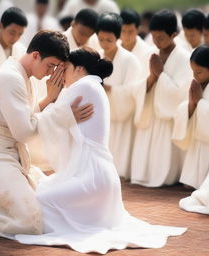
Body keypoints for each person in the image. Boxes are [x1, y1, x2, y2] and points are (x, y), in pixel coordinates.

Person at [13, 47, 186, 253]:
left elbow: (46, 121)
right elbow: (58, 119)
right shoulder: (93, 86)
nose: (61, 75)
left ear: (78, 69)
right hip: (95, 176)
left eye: (65, 68)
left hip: (92, 179)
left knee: (38, 201)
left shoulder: (84, 86)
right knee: (42, 188)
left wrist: (51, 95)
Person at [0, 31, 94, 238]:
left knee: (48, 203)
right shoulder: (9, 77)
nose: (50, 73)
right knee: (30, 221)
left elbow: (26, 118)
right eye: (51, 66)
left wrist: (50, 99)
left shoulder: (22, 74)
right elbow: (24, 131)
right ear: (36, 55)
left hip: (14, 154)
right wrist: (64, 114)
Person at [130, 10, 193, 187]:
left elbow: (182, 92)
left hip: (168, 119)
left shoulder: (184, 58)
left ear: (174, 34)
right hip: (150, 114)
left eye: (161, 38)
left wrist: (161, 75)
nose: (156, 42)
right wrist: (151, 79)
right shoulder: (151, 54)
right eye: (154, 37)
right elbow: (137, 86)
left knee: (165, 161)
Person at [96, 12, 141, 178]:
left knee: (118, 168)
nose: (104, 44)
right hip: (101, 116)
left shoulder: (130, 60)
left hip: (122, 118)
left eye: (109, 40)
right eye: (101, 39)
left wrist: (110, 89)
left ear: (118, 37)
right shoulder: (96, 57)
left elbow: (132, 92)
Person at [173, 45, 209, 192]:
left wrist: (199, 102)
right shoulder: (195, 82)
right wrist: (191, 105)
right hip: (198, 139)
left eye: (199, 72)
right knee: (191, 185)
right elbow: (183, 105)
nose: (195, 76)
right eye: (193, 71)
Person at [0, 7, 27, 73]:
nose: (15, 38)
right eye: (12, 33)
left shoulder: (22, 50)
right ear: (1, 26)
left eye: (20, 34)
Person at [120, 8, 153, 78]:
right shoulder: (112, 46)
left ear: (138, 29)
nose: (126, 35)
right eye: (123, 31)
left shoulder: (147, 52)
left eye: (130, 31)